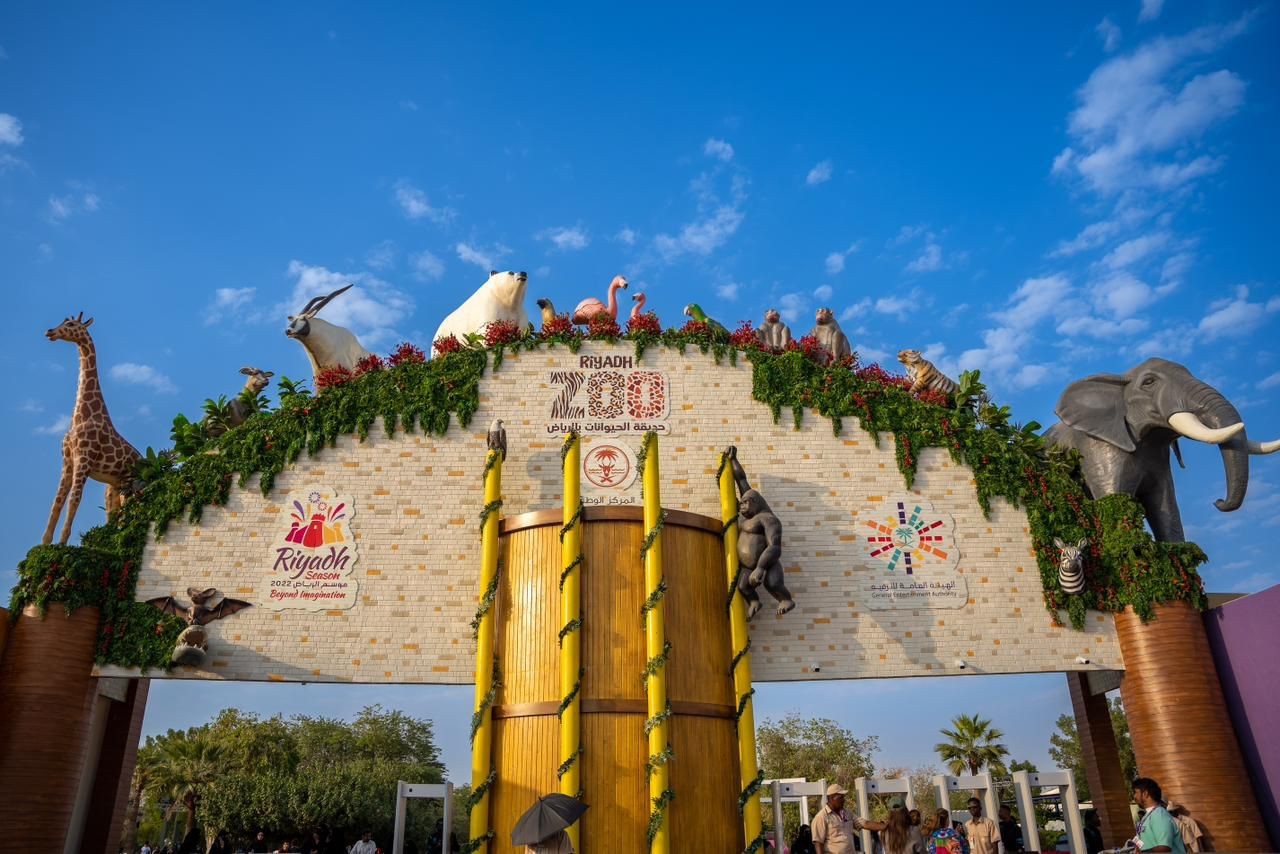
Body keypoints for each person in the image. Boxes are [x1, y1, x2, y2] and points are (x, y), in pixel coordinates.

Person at [812, 783, 887, 854]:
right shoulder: (821, 817)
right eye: (841, 797)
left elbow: (864, 823)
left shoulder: (847, 813)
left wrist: (887, 826)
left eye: (843, 797)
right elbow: (818, 843)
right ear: (831, 798)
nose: (843, 800)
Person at [1132, 778, 1185, 853]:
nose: (1134, 796)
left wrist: (1143, 852)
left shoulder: (1160, 815)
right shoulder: (1146, 816)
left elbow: (1164, 848)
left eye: (1135, 792)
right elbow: (1142, 843)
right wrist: (1135, 846)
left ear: (1145, 794)